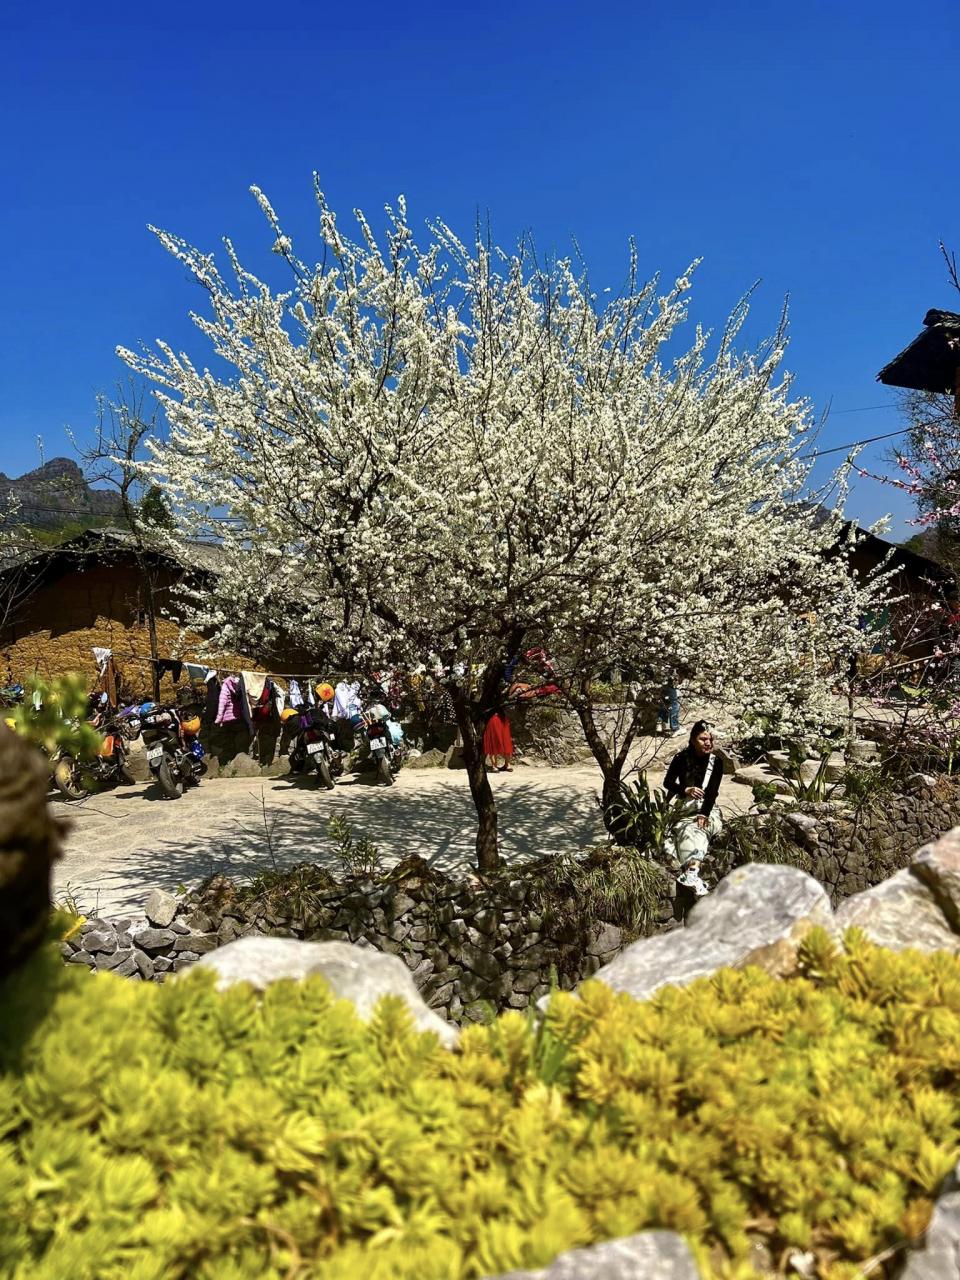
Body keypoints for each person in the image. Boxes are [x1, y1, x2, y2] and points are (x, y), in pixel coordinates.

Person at [663, 720, 723, 896]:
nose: (708, 743)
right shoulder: (681, 758)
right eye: (703, 739)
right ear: (692, 739)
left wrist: (704, 814)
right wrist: (685, 789)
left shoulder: (716, 762)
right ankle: (691, 872)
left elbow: (712, 792)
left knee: (699, 830)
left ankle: (692, 872)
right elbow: (668, 783)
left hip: (707, 808)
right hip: (684, 808)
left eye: (710, 739)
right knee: (683, 831)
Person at [483, 704, 514, 772]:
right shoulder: (504, 696)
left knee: (493, 741)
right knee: (505, 741)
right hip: (503, 719)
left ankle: (495, 766)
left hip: (493, 718)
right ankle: (508, 765)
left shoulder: (488, 697)